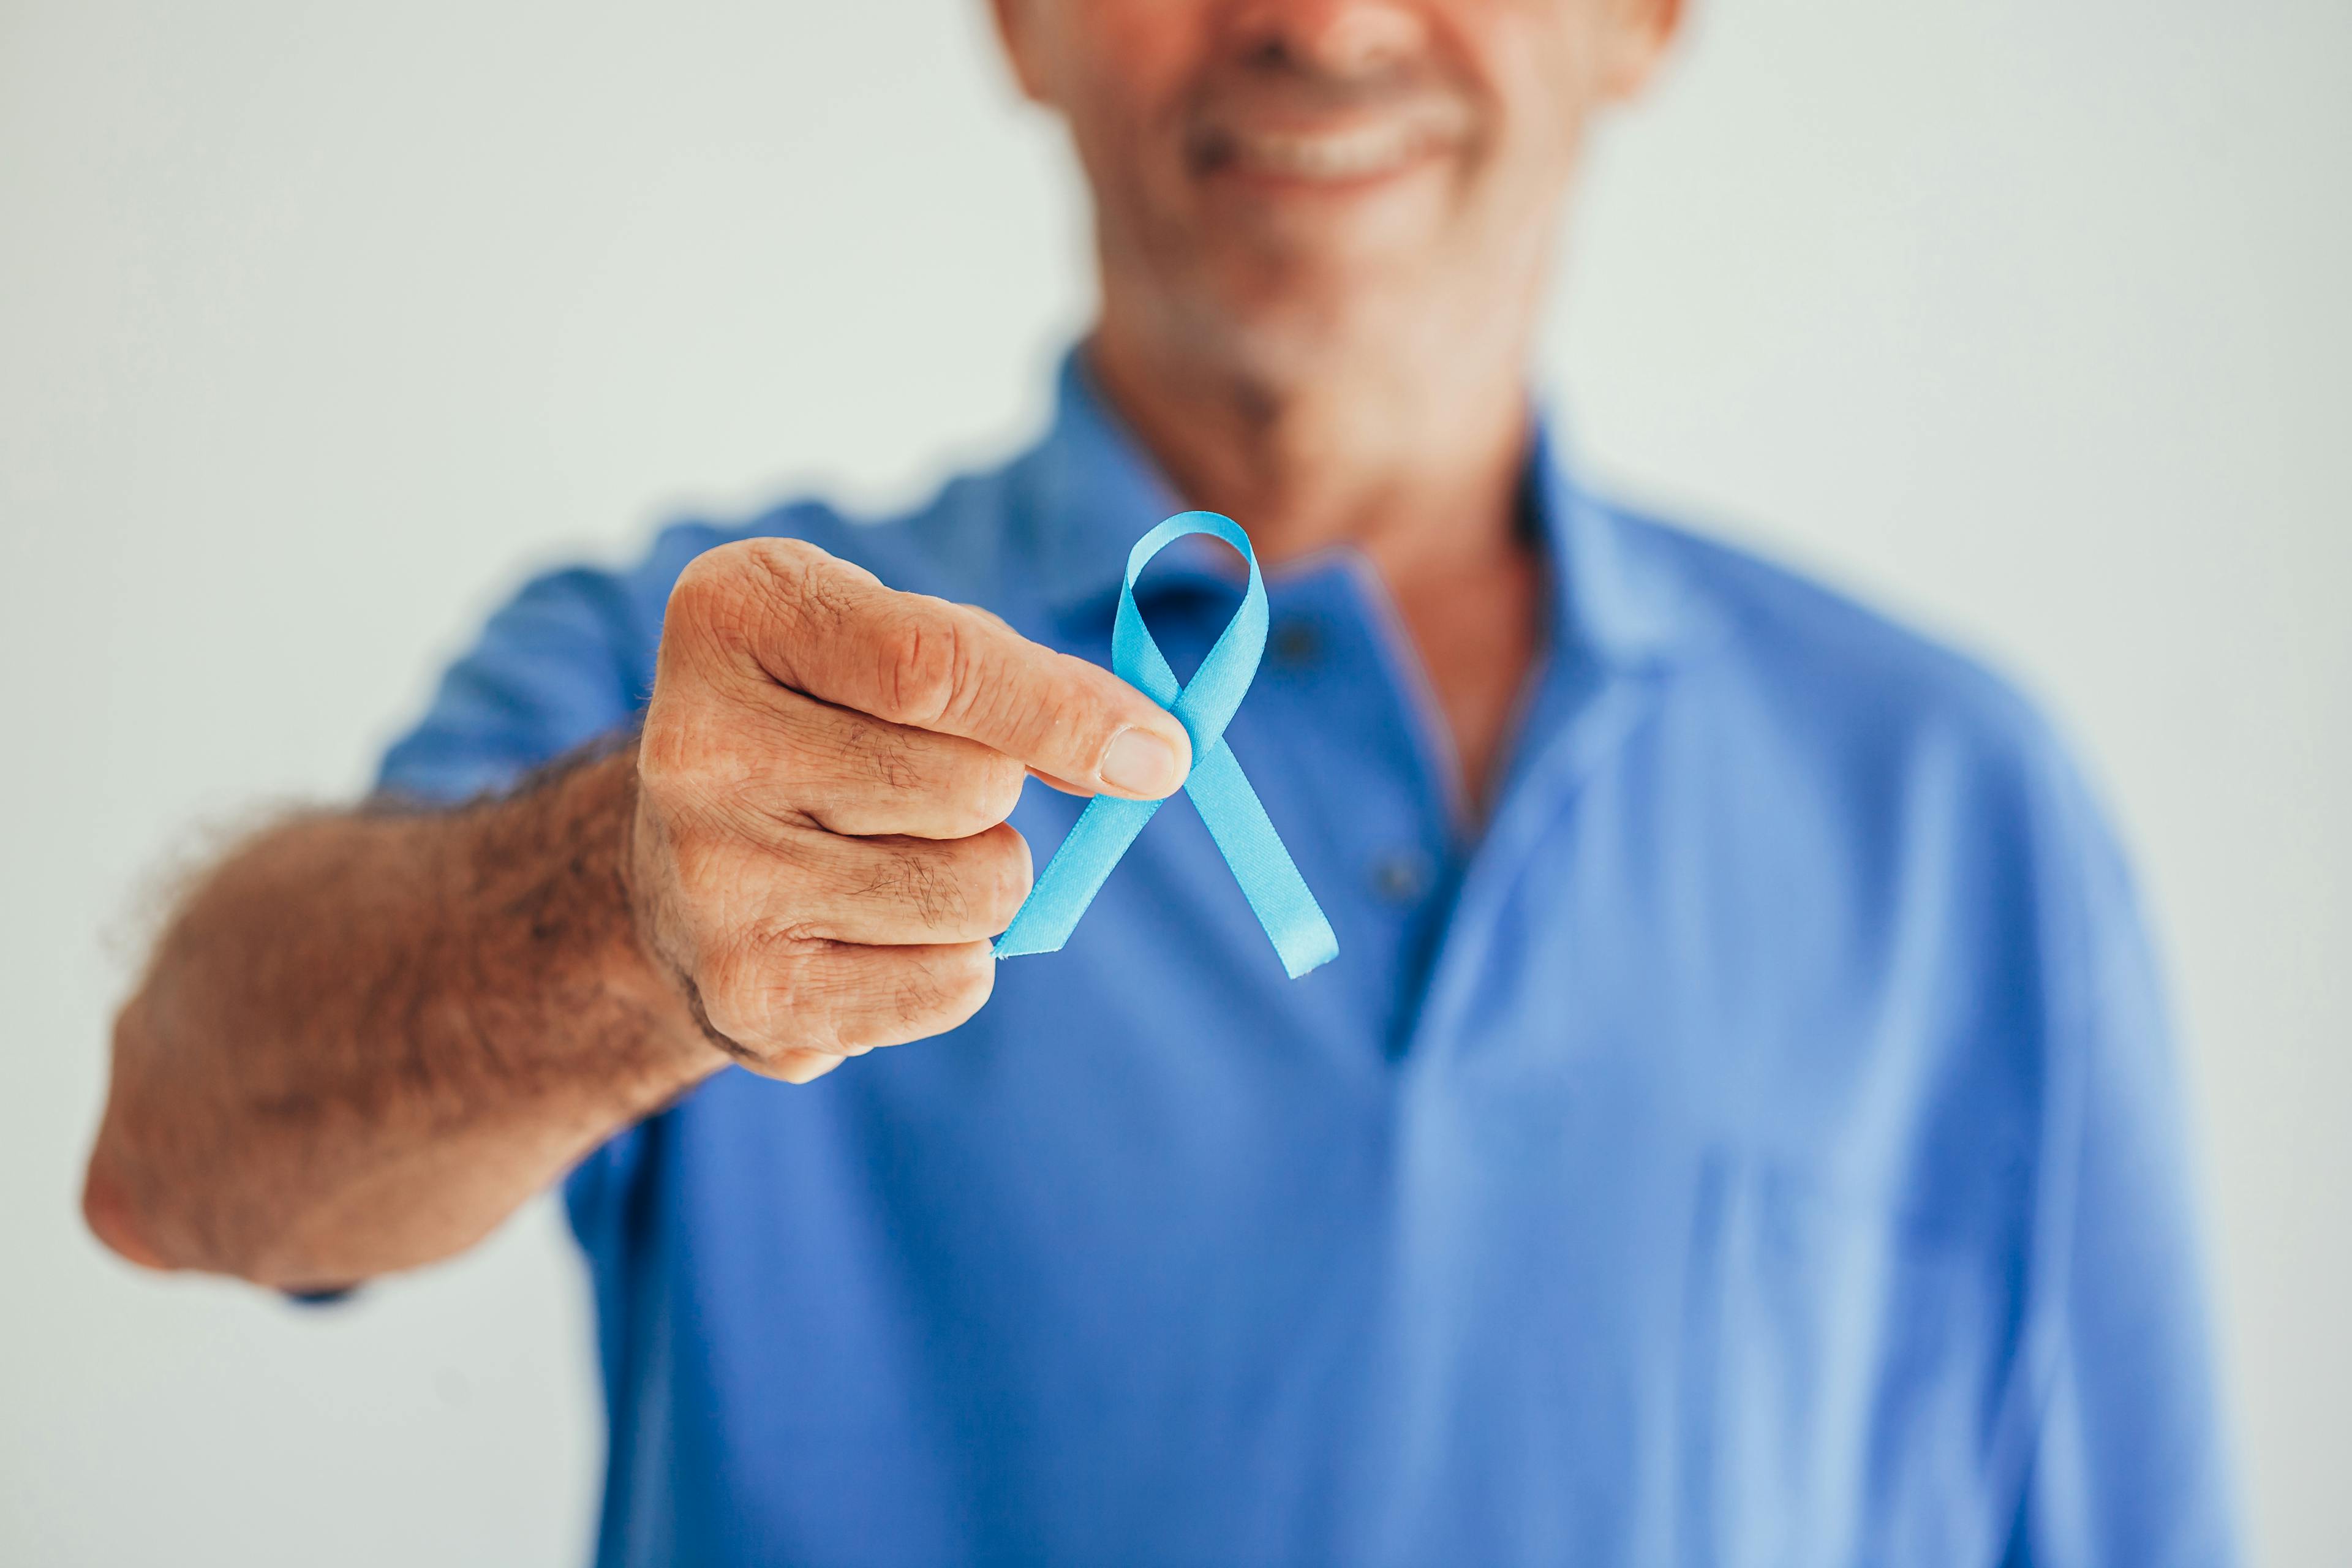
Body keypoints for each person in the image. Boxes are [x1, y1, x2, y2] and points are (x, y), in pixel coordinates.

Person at [81, 1, 2237, 1562]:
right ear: (1016, 17)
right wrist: (614, 916)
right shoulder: (702, 677)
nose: (1313, 21)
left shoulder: (1964, 817)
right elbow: (178, 1146)